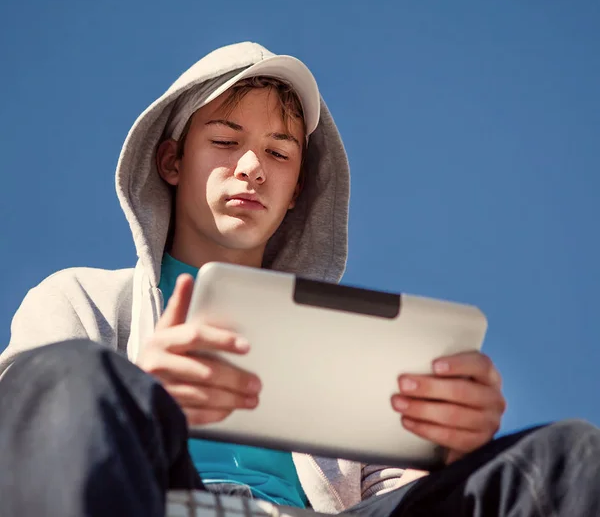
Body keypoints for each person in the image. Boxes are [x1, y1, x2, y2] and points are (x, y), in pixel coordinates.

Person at [0, 41, 598, 517]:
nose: (253, 168)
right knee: (64, 372)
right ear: (172, 161)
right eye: (226, 141)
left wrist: (449, 451)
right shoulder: (81, 302)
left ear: (296, 194)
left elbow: (394, 496)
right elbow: (19, 438)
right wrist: (133, 400)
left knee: (568, 459)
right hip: (149, 500)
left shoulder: (347, 344)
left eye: (280, 154)